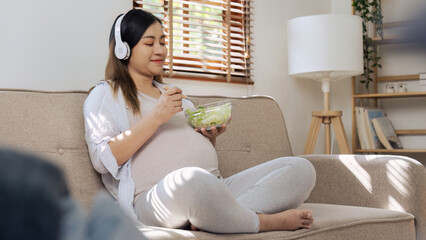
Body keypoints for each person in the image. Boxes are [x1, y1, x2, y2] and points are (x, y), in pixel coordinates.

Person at [83, 8, 316, 234]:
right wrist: (156, 117)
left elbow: (196, 151)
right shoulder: (105, 96)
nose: (160, 50)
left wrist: (209, 138)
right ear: (124, 49)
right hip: (156, 198)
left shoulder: (174, 95)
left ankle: (216, 217)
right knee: (191, 180)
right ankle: (261, 222)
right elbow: (103, 160)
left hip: (215, 188)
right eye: (149, 42)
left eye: (163, 42)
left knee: (301, 169)